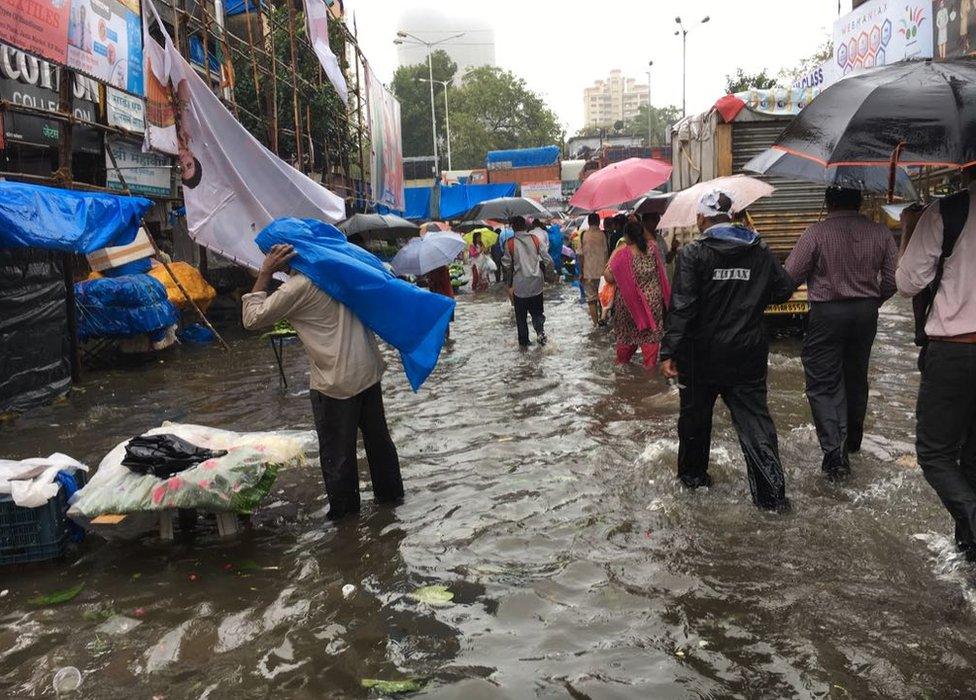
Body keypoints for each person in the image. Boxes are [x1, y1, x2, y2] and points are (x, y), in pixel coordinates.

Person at [242, 244, 403, 520]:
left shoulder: (298, 287)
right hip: (368, 371)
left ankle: (345, 526)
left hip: (336, 383)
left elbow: (252, 318)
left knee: (338, 456)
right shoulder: (341, 270)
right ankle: (393, 506)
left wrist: (264, 274)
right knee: (379, 445)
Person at [659, 190, 796, 512]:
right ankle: (772, 499)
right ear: (731, 216)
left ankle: (693, 485)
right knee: (756, 425)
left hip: (699, 356)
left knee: (695, 423)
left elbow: (682, 308)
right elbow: (784, 290)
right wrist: (750, 293)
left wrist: (668, 352)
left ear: (701, 219)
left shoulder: (693, 254)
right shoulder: (758, 249)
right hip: (746, 355)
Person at [785, 187, 897, 480]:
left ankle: (835, 455)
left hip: (827, 313)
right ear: (859, 202)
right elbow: (892, 279)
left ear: (828, 201)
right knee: (856, 375)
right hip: (865, 314)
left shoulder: (815, 234)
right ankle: (853, 442)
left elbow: (790, 277)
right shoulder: (881, 232)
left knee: (823, 382)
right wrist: (873, 301)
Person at [897, 171, 976, 561]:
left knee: (934, 454)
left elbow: (909, 283)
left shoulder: (946, 213)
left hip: (955, 350)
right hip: (956, 351)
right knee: (973, 459)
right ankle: (969, 554)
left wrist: (908, 234)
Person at [603, 221, 671, 368]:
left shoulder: (621, 255)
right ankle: (650, 372)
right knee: (650, 339)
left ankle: (622, 370)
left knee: (626, 340)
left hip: (628, 307)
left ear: (626, 236)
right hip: (652, 305)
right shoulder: (653, 249)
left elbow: (609, 278)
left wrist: (609, 263)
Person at [503, 215, 554, 348]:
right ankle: (541, 335)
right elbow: (548, 261)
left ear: (513, 227)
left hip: (519, 287)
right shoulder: (535, 239)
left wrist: (508, 285)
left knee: (521, 319)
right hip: (537, 283)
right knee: (537, 313)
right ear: (525, 226)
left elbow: (506, 265)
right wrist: (549, 276)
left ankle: (524, 348)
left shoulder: (509, 243)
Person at [578, 213, 609, 326]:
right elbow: (606, 253)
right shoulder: (602, 235)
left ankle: (595, 324)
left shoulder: (584, 235)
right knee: (602, 296)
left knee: (591, 299)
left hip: (588, 272)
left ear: (589, 222)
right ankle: (603, 319)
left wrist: (581, 272)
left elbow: (580, 255)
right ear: (597, 221)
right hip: (602, 272)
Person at [426, 264, 455, 340]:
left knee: (440, 322)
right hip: (447, 297)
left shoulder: (433, 271)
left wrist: (430, 280)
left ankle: (445, 341)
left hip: (440, 298)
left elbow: (432, 286)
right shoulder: (444, 268)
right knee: (445, 322)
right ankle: (447, 341)